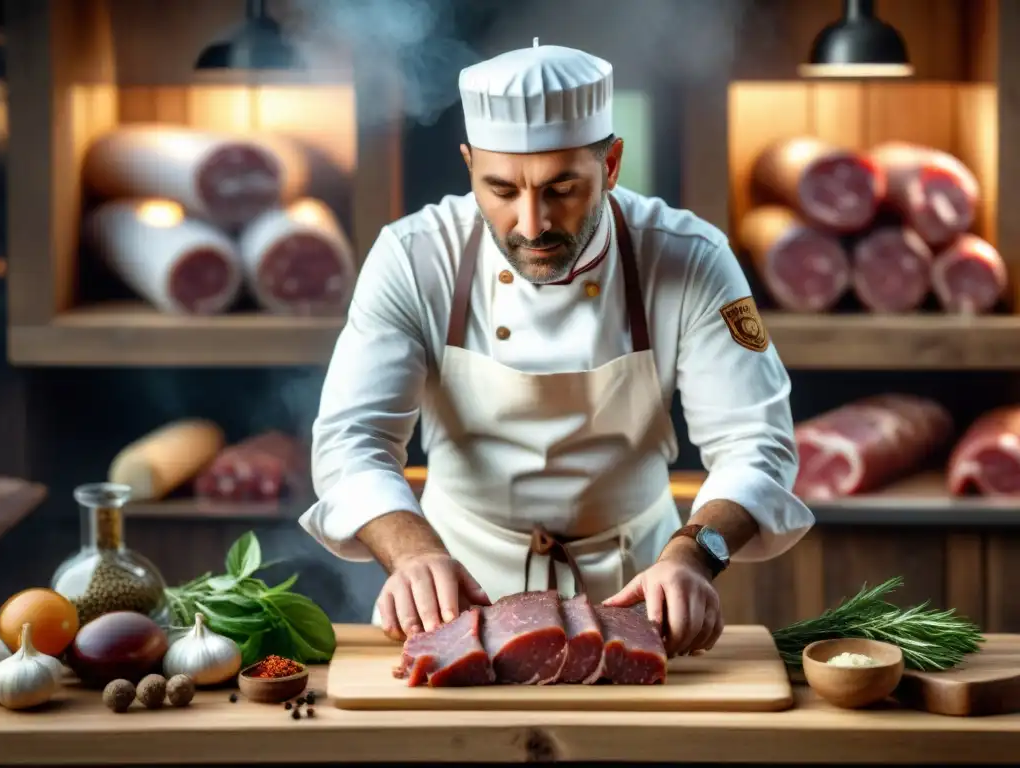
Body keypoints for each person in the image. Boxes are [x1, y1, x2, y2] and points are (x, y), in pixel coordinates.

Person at [300, 39, 815, 657]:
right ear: (468, 165)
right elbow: (351, 441)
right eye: (501, 189)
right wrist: (411, 552)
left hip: (642, 596)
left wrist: (694, 556)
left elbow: (755, 445)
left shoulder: (690, 257)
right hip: (457, 597)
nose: (531, 222)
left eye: (562, 188)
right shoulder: (413, 257)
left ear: (613, 164)